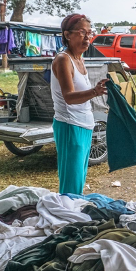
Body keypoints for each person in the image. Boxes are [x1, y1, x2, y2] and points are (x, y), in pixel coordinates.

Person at [51, 14, 108, 196]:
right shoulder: (63, 59)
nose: (87, 37)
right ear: (68, 35)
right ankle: (67, 218)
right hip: (70, 126)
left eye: (90, 33)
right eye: (82, 32)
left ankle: (73, 214)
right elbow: (68, 96)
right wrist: (94, 92)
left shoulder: (79, 59)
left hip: (84, 125)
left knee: (79, 182)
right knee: (71, 186)